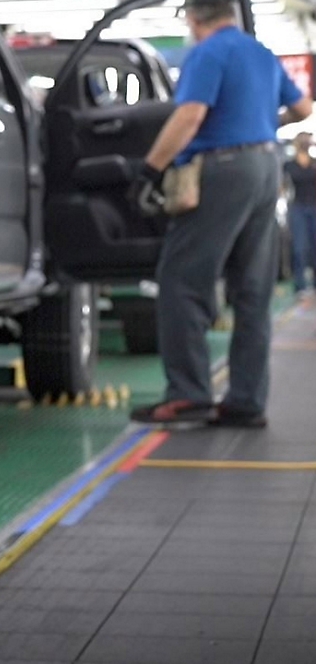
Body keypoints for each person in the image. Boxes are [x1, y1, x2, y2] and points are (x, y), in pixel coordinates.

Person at [127, 0, 312, 428]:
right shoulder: (261, 53)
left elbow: (190, 116)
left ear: (194, 18)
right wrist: (261, 121)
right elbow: (303, 108)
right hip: (266, 168)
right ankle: (246, 400)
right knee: (253, 288)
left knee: (181, 281)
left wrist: (150, 169)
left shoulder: (207, 53)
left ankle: (189, 394)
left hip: (222, 169)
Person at [283, 132, 316, 303]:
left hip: (314, 207)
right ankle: (300, 285)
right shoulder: (289, 165)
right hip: (298, 207)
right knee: (299, 247)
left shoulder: (314, 164)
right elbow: (282, 187)